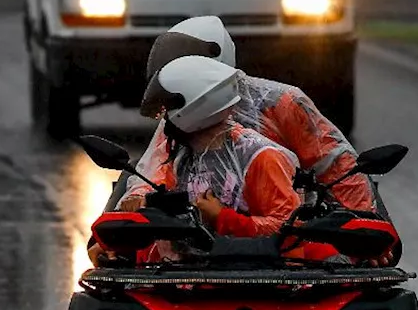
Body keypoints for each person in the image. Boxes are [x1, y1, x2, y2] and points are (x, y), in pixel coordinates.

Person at [117, 16, 400, 263]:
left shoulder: (282, 104)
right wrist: (131, 211)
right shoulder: (181, 119)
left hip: (285, 244)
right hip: (199, 243)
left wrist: (367, 234)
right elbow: (150, 174)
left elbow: (337, 167)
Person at [118, 55, 301, 262]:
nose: (165, 119)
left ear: (196, 106)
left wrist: (224, 218)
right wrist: (138, 206)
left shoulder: (260, 158)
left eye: (168, 109)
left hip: (256, 277)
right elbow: (160, 196)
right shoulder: (180, 156)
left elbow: (289, 230)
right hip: (187, 276)